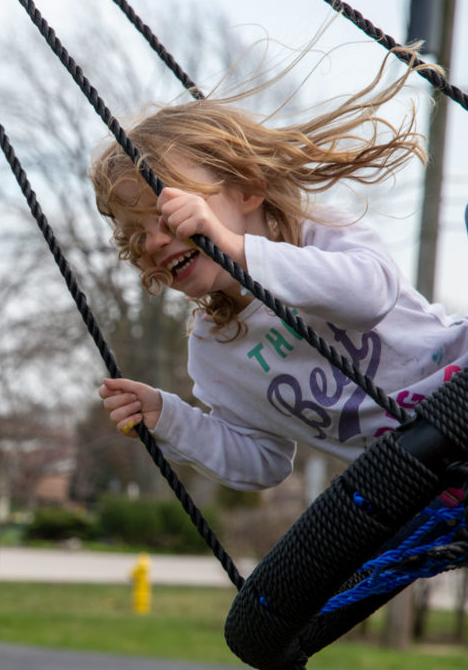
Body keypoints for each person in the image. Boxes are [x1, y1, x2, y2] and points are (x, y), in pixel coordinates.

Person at [92, 47, 468, 494]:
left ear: (249, 189)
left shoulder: (319, 232)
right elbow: (263, 462)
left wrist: (236, 248)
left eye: (169, 210)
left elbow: (370, 296)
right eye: (137, 236)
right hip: (428, 480)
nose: (154, 241)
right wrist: (169, 418)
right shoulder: (215, 350)